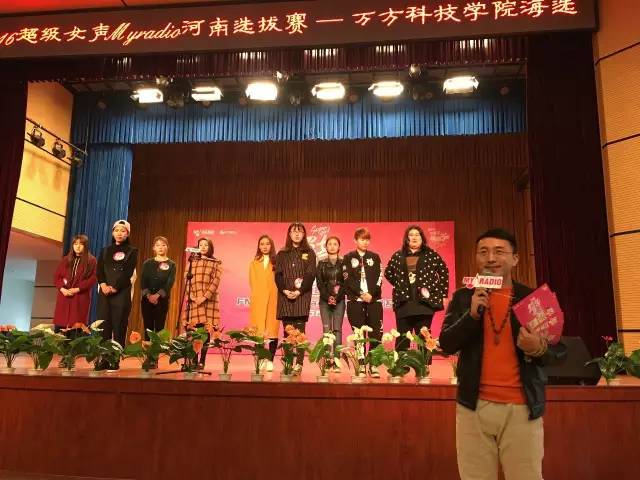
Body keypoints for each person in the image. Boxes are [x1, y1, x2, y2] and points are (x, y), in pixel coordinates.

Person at [439, 228, 566, 480]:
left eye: (499, 252)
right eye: (483, 252)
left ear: (515, 258)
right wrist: (471, 316)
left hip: (522, 409)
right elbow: (446, 344)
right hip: (473, 408)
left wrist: (538, 347)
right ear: (476, 258)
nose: (491, 258)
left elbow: (559, 352)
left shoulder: (533, 298)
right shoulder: (464, 298)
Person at [384, 225, 449, 352]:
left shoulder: (431, 254)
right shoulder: (398, 255)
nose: (414, 237)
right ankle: (402, 363)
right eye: (411, 235)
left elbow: (444, 271)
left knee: (424, 338)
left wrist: (442, 294)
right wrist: (400, 285)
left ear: (422, 238)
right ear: (406, 238)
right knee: (403, 339)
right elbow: (388, 273)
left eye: (417, 234)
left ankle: (424, 363)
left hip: (424, 304)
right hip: (403, 304)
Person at [274, 222, 316, 375]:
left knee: (300, 333)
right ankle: (288, 364)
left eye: (300, 231)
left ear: (304, 234)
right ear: (289, 234)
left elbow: (311, 275)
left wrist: (299, 291)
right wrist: (284, 290)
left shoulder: (309, 253)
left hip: (301, 297)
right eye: (294, 231)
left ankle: (298, 364)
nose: (297, 234)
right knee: (287, 333)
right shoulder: (282, 253)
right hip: (285, 296)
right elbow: (278, 275)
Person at [96, 220, 138, 370]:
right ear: (113, 232)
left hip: (121, 293)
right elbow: (99, 270)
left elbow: (128, 272)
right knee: (103, 326)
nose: (119, 233)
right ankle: (103, 359)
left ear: (127, 234)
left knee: (119, 326)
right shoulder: (105, 250)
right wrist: (103, 285)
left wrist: (115, 287)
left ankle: (114, 359)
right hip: (105, 293)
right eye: (117, 230)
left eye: (123, 231)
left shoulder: (132, 251)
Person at [342, 227, 383, 378]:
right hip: (355, 301)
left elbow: (380, 277)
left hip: (373, 300)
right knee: (358, 334)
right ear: (355, 240)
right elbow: (347, 279)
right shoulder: (348, 257)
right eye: (362, 239)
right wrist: (361, 293)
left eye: (367, 239)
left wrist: (370, 294)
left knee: (375, 333)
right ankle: (360, 364)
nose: (365, 242)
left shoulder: (375, 257)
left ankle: (373, 364)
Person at [182, 237, 222, 369]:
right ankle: (193, 359)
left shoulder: (216, 263)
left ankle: (202, 361)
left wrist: (204, 297)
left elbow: (215, 281)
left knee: (206, 330)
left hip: (208, 301)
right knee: (194, 330)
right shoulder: (192, 262)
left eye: (206, 245)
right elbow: (187, 280)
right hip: (194, 301)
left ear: (210, 247)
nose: (203, 247)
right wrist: (192, 296)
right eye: (201, 245)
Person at [53, 234, 97, 337]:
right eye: (75, 244)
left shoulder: (91, 261)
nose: (78, 246)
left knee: (77, 326)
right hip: (64, 296)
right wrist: (62, 289)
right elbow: (57, 277)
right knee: (60, 328)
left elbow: (93, 278)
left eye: (81, 244)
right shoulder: (66, 259)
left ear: (86, 246)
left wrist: (78, 289)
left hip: (79, 297)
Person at [249, 235, 279, 372]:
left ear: (271, 246)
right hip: (259, 300)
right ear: (259, 246)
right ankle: (260, 358)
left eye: (267, 244)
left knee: (273, 330)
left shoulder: (277, 262)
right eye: (262, 244)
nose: (265, 246)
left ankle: (270, 360)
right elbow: (252, 282)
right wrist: (257, 296)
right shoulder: (254, 263)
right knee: (258, 330)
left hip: (274, 299)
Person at [315, 236, 345, 371]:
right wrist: (328, 297)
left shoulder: (344, 263)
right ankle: (327, 359)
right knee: (327, 331)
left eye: (335, 244)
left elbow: (346, 283)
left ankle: (337, 360)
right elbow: (320, 283)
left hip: (340, 300)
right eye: (330, 244)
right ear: (326, 247)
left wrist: (337, 298)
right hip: (324, 301)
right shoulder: (321, 263)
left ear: (339, 247)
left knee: (337, 330)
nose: (332, 246)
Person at [140, 236, 176, 345]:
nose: (160, 247)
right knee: (148, 328)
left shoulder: (171, 264)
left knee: (160, 328)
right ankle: (147, 354)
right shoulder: (147, 263)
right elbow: (143, 281)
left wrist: (157, 296)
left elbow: (169, 283)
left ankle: (157, 353)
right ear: (154, 248)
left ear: (167, 247)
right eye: (158, 245)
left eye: (163, 245)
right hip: (146, 301)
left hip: (162, 301)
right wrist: (149, 296)